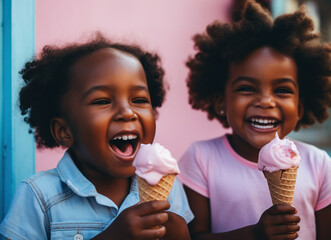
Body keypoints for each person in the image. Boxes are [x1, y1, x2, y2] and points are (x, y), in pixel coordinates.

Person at [178, 1, 331, 239]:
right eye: (247, 88)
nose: (266, 101)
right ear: (221, 102)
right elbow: (191, 237)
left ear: (299, 107)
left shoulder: (317, 164)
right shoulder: (201, 159)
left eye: (282, 90)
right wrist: (254, 234)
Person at [0, 34, 193, 240]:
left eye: (138, 99)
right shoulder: (39, 196)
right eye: (102, 101)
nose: (128, 112)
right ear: (64, 131)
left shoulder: (170, 188)